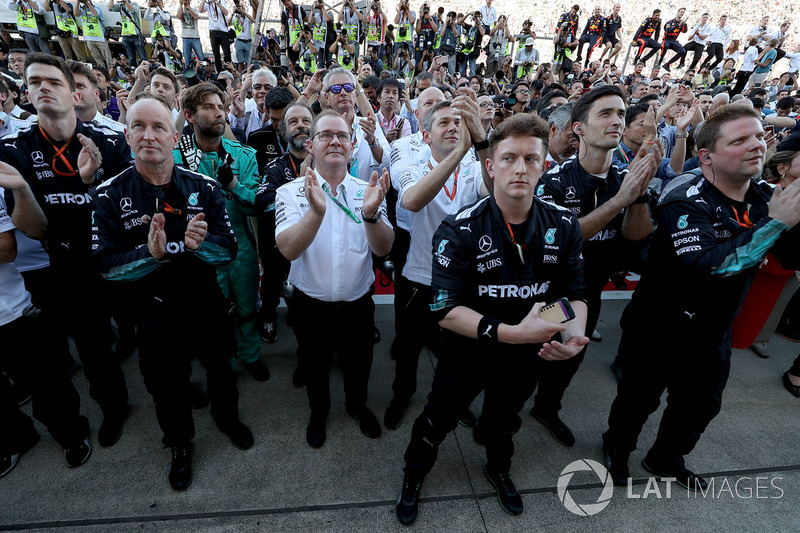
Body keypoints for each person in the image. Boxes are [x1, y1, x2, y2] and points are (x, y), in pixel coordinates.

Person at [395, 113, 589, 525]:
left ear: (543, 164)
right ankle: (413, 475)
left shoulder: (564, 224)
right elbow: (444, 309)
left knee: (504, 422)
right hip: (468, 351)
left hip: (526, 355)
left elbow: (572, 297)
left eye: (530, 159)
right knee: (437, 420)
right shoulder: (460, 227)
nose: (520, 168)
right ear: (490, 165)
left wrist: (569, 332)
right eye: (509, 158)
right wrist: (513, 332)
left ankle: (497, 468)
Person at [603, 105, 800, 491]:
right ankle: (618, 448)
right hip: (659, 324)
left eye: (759, 136)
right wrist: (775, 225)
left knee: (700, 405)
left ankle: (665, 458)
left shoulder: (765, 196)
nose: (756, 145)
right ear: (707, 155)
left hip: (713, 329)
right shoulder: (686, 198)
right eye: (740, 139)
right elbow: (708, 268)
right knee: (638, 400)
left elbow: (790, 256)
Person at [93, 92, 253, 490]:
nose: (149, 135)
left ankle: (227, 418)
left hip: (205, 305)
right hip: (151, 314)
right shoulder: (108, 195)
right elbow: (106, 269)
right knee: (166, 388)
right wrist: (150, 255)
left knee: (221, 371)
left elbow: (228, 251)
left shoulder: (205, 186)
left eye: (158, 127)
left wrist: (200, 247)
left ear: (173, 133)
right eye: (139, 126)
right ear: (127, 135)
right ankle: (180, 443)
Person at [0, 53, 132, 447]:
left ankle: (129, 399)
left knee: (126, 337)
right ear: (25, 92)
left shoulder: (108, 141)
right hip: (62, 267)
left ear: (73, 92)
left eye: (53, 82)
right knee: (87, 349)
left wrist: (91, 184)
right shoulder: (15, 150)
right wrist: (23, 189)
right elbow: (34, 227)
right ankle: (102, 412)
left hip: (114, 259)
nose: (43, 87)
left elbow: (129, 214)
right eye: (34, 82)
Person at [531, 85, 658, 447]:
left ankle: (546, 409)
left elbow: (636, 240)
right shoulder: (553, 180)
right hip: (545, 297)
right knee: (527, 359)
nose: (617, 120)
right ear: (579, 128)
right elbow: (565, 237)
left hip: (587, 296)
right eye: (605, 113)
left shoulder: (626, 178)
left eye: (620, 113)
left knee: (569, 361)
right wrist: (621, 199)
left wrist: (639, 195)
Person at [275, 109, 394, 448]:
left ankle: (357, 406)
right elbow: (287, 250)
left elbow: (384, 248)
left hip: (358, 303)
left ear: (353, 145)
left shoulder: (366, 191)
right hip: (310, 305)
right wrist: (316, 211)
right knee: (314, 365)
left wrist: (371, 215)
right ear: (310, 145)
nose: (335, 141)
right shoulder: (291, 192)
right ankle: (319, 411)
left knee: (359, 364)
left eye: (342, 135)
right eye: (326, 135)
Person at [385, 94, 491, 430]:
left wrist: (481, 142)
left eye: (458, 124)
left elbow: (495, 189)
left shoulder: (474, 167)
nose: (452, 128)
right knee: (408, 345)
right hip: (418, 274)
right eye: (444, 123)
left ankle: (448, 400)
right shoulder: (410, 165)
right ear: (426, 135)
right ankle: (402, 394)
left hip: (461, 281)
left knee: (454, 349)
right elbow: (413, 200)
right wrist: (461, 150)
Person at [0, 169, 94, 476]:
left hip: (9, 311)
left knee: (46, 382)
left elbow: (6, 249)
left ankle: (71, 434)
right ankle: (16, 439)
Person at [173, 82, 266, 381]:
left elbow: (256, 206)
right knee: (209, 317)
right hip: (199, 253)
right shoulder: (175, 160)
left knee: (247, 305)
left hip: (241, 248)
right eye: (209, 107)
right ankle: (220, 362)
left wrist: (235, 186)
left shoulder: (244, 155)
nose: (219, 113)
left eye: (220, 107)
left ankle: (250, 355)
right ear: (189, 115)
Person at [255, 103, 313, 352]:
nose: (300, 125)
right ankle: (268, 316)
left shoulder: (331, 164)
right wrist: (299, 184)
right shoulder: (275, 168)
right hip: (279, 248)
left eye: (306, 121)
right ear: (283, 130)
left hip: (314, 249)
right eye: (293, 122)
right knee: (272, 284)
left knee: (308, 307)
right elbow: (262, 202)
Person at [68, 60, 126, 133]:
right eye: (69, 87)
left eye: (80, 86)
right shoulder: (53, 133)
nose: (74, 92)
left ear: (96, 93)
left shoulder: (120, 131)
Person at [74, 0, 112, 70]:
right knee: (98, 60)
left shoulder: (96, 8)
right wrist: (78, 2)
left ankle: (111, 74)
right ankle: (103, 75)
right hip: (89, 39)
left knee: (108, 59)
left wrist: (88, 4)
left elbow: (96, 14)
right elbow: (76, 14)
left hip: (100, 38)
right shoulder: (82, 10)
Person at [200, 0, 231, 71]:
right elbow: (200, 10)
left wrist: (216, 2)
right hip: (213, 32)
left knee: (227, 54)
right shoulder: (208, 3)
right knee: (216, 55)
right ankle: (219, 71)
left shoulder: (221, 1)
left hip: (223, 32)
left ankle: (229, 71)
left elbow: (225, 12)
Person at [659, 8, 687, 73]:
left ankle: (667, 64)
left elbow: (684, 31)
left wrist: (685, 25)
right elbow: (668, 30)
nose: (682, 14)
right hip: (667, 39)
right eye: (681, 12)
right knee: (665, 46)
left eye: (683, 13)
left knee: (683, 51)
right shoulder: (670, 22)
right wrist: (677, 25)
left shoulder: (681, 23)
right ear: (677, 12)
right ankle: (659, 62)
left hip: (674, 40)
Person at [228, 0, 255, 68]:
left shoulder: (247, 17)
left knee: (248, 63)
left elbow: (254, 20)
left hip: (248, 41)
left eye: (241, 7)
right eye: (238, 7)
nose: (239, 9)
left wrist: (244, 12)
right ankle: (241, 76)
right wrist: (233, 13)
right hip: (239, 41)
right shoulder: (235, 17)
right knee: (240, 63)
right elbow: (228, 23)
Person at [177, 0, 204, 65]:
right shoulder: (181, 9)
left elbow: (196, 17)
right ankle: (188, 73)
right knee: (187, 60)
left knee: (201, 58)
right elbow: (179, 16)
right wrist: (181, 5)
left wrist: (188, 9)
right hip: (185, 37)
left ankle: (204, 72)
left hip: (195, 37)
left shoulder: (194, 10)